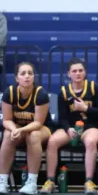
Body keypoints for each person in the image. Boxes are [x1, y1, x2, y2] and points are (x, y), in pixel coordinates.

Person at [41, 58, 98, 194]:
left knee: (90, 142)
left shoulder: (94, 88)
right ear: (68, 74)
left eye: (80, 70)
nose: (77, 73)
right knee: (52, 142)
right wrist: (68, 129)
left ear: (85, 72)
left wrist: (86, 108)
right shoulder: (64, 92)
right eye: (74, 71)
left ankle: (89, 181)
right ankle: (50, 181)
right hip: (70, 127)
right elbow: (62, 118)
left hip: (91, 127)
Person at [0, 62, 54, 195]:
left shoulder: (41, 94)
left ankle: (32, 182)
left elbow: (38, 123)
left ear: (34, 77)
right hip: (18, 129)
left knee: (33, 135)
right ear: (17, 78)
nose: (27, 76)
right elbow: (6, 120)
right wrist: (14, 130)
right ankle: (2, 180)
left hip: (42, 129)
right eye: (23, 73)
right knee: (7, 135)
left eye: (30, 73)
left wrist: (21, 130)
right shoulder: (10, 93)